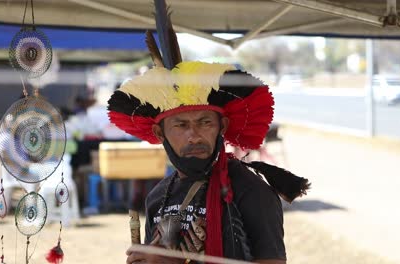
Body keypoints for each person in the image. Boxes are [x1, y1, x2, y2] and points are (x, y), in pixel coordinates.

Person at [106, 1, 310, 263]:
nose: (194, 135)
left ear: (222, 127)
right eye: (180, 125)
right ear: (159, 133)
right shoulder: (157, 197)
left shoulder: (251, 191)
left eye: (205, 123)